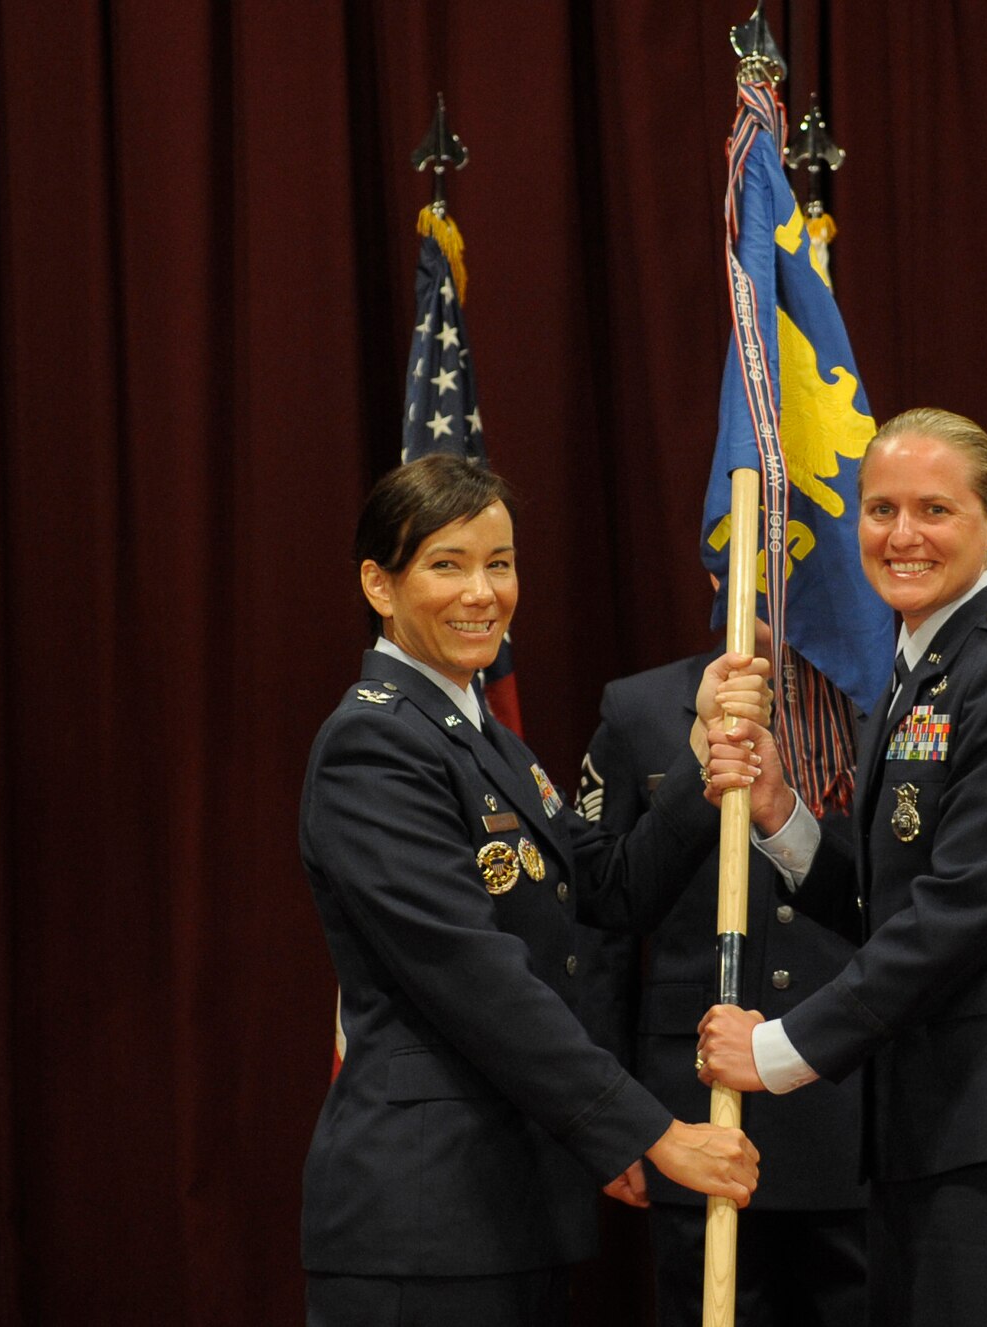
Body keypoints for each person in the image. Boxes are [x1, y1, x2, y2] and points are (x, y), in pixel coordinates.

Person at [696, 408, 987, 1326]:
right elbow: (887, 896)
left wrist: (778, 1051)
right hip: (932, 1137)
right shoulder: (914, 673)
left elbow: (963, 910)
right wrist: (783, 814)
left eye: (934, 509)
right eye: (879, 509)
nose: (902, 535)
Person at [299, 454, 766, 1327]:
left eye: (500, 563)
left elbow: (614, 887)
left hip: (508, 1210)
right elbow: (479, 981)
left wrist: (702, 750)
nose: (483, 592)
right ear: (379, 583)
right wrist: (652, 1131)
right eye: (448, 564)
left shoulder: (484, 739)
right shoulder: (376, 745)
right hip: (423, 1222)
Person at [577, 633, 867, 1327]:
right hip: (695, 1112)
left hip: (853, 1110)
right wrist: (614, 1116)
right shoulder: (639, 707)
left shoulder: (884, 698)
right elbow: (603, 930)